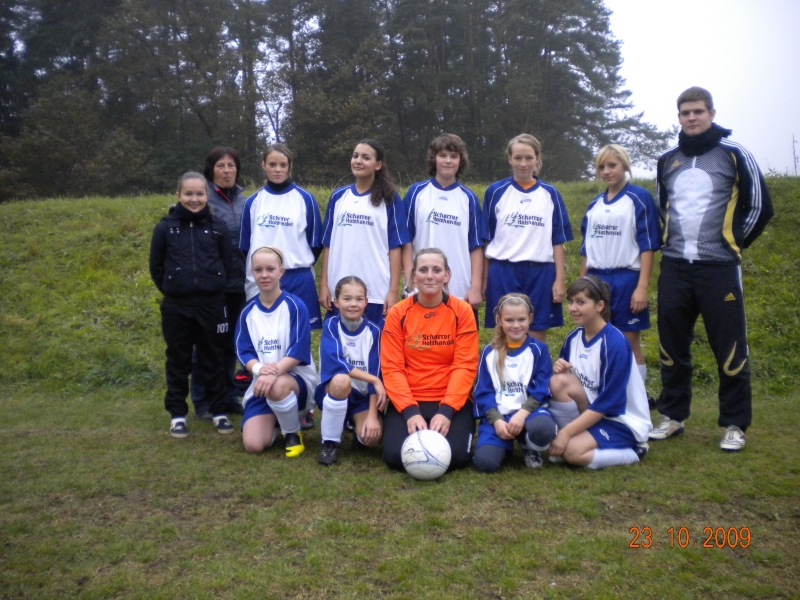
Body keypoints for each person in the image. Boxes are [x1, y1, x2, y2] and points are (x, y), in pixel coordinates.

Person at [651, 87, 773, 452]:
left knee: (730, 347)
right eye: (685, 112)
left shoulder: (734, 154)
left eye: (698, 111)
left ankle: (734, 424)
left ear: (711, 114)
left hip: (719, 268)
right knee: (671, 346)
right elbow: (662, 208)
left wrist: (732, 244)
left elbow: (760, 207)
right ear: (679, 117)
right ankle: (672, 416)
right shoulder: (667, 160)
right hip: (675, 267)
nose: (692, 117)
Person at [149, 172, 236, 438]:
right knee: (178, 360)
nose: (194, 199)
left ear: (207, 195)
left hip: (212, 304)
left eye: (199, 194)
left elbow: (228, 262)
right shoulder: (165, 227)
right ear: (178, 195)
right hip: (177, 306)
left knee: (214, 358)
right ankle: (177, 414)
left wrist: (213, 285)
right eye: (188, 194)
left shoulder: (218, 226)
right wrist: (174, 289)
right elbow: (156, 266)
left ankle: (219, 411)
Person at [381, 248, 478, 471]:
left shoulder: (462, 312)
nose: (430, 276)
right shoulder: (398, 313)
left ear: (447, 275)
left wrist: (447, 411)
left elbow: (464, 366)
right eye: (423, 270)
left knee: (457, 458)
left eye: (437, 270)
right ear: (414, 276)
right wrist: (409, 411)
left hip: (450, 399)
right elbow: (392, 368)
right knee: (395, 457)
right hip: (410, 397)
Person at [580, 144, 661, 399]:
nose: (607, 171)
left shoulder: (639, 198)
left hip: (626, 278)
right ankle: (603, 397)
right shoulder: (594, 204)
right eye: (601, 167)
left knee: (628, 341)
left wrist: (642, 287)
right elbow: (586, 249)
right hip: (596, 279)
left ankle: (637, 400)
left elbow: (648, 246)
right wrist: (582, 285)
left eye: (612, 165)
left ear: (625, 165)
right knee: (597, 339)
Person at [548, 276, 652, 469]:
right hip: (593, 411)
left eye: (581, 302)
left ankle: (634, 452)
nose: (573, 308)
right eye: (571, 302)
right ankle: (576, 437)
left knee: (572, 452)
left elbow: (608, 403)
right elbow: (567, 380)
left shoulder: (614, 343)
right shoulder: (573, 338)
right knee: (558, 381)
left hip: (621, 420)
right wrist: (561, 369)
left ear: (600, 306)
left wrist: (565, 433)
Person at [482, 134, 573, 342]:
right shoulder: (495, 191)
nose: (523, 163)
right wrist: (484, 280)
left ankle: (535, 365)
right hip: (503, 271)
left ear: (537, 158)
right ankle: (504, 365)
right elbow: (487, 239)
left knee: (537, 332)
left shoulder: (550, 193)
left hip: (540, 272)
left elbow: (557, 240)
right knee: (504, 332)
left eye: (529, 158)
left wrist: (559, 279)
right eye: (518, 158)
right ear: (510, 159)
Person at [235, 246, 317, 457]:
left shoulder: (295, 306)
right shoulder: (248, 312)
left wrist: (273, 373)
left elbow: (298, 351)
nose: (264, 275)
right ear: (252, 273)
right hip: (262, 383)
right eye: (258, 270)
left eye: (270, 269)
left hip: (294, 382)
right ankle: (278, 420)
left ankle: (292, 432)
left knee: (277, 386)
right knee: (253, 445)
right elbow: (244, 352)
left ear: (281, 272)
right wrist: (261, 370)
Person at [319, 139, 410, 326]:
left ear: (378, 165)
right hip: (340, 291)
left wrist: (393, 291)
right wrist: (324, 285)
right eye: (355, 156)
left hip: (376, 292)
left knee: (374, 342)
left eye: (366, 157)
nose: (358, 161)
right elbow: (328, 245)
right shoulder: (338, 197)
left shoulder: (390, 199)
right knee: (339, 342)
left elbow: (395, 247)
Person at [191, 146, 248, 420]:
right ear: (211, 170)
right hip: (213, 287)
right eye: (220, 166)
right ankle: (202, 400)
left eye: (231, 165)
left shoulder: (245, 201)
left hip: (241, 284)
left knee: (232, 344)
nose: (227, 171)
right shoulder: (204, 200)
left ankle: (228, 395)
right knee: (207, 343)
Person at [240, 143, 323, 330]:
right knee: (266, 333)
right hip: (264, 278)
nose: (277, 169)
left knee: (299, 335)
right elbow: (245, 246)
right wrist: (265, 270)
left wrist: (293, 260)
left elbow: (315, 243)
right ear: (264, 165)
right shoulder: (253, 202)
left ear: (290, 166)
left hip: (298, 278)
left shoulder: (305, 199)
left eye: (283, 165)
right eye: (272, 164)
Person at [401, 133, 483, 318]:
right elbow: (405, 241)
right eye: (443, 155)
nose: (448, 161)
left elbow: (476, 246)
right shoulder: (416, 193)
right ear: (434, 159)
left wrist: (476, 287)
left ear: (461, 161)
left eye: (454, 156)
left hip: (460, 290)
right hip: (421, 289)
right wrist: (409, 280)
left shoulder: (469, 198)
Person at [472, 294, 554, 473]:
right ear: (499, 320)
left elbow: (542, 389)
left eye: (521, 319)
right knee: (486, 463)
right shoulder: (489, 352)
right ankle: (504, 442)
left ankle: (528, 444)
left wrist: (521, 415)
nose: (516, 325)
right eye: (509, 320)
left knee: (544, 429)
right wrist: (496, 421)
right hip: (500, 416)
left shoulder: (538, 350)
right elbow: (483, 392)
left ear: (530, 319)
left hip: (528, 413)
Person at [315, 276, 386, 465]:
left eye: (358, 299)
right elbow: (338, 364)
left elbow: (375, 373)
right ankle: (329, 443)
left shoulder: (374, 332)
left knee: (371, 439)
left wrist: (372, 416)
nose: (353, 304)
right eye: (347, 299)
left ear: (366, 302)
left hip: (361, 398)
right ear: (336, 302)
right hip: (333, 391)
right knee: (341, 380)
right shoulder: (331, 326)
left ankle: (354, 425)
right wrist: (374, 380)